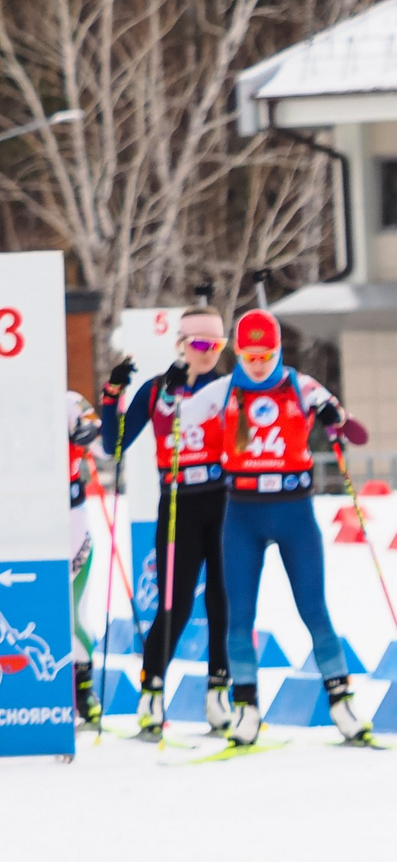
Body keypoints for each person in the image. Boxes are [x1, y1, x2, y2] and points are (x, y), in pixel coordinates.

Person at [214, 309, 369, 745]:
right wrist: (170, 394)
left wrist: (336, 418)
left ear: (278, 351)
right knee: (239, 616)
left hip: (294, 513)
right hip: (242, 515)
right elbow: (177, 414)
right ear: (238, 353)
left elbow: (351, 428)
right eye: (249, 356)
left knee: (314, 610)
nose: (257, 364)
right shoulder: (223, 391)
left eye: (265, 355)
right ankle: (245, 708)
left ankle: (341, 703)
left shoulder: (301, 386)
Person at [102, 308, 239, 737]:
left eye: (215, 345)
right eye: (199, 344)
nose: (208, 353)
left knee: (222, 599)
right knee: (173, 603)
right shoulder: (158, 389)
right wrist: (112, 394)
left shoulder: (227, 387)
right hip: (179, 503)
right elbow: (114, 445)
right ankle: (152, 692)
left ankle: (219, 693)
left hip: (223, 502)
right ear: (181, 343)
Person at [65, 389, 103, 725]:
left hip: (69, 517)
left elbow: (105, 446)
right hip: (16, 519)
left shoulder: (68, 401)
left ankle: (83, 688)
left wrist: (90, 430)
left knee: (73, 608)